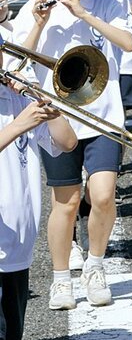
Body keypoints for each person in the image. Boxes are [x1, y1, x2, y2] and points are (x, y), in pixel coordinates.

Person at [10, 0, 132, 311]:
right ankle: (62, 278)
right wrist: (38, 22)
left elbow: (128, 43)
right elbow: (17, 63)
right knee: (66, 201)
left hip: (104, 116)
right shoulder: (38, 7)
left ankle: (94, 265)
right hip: (58, 117)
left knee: (103, 195)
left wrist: (85, 13)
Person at [0, 73, 77, 340]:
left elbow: (68, 142)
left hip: (18, 249)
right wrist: (16, 127)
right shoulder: (20, 116)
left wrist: (45, 103)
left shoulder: (18, 100)